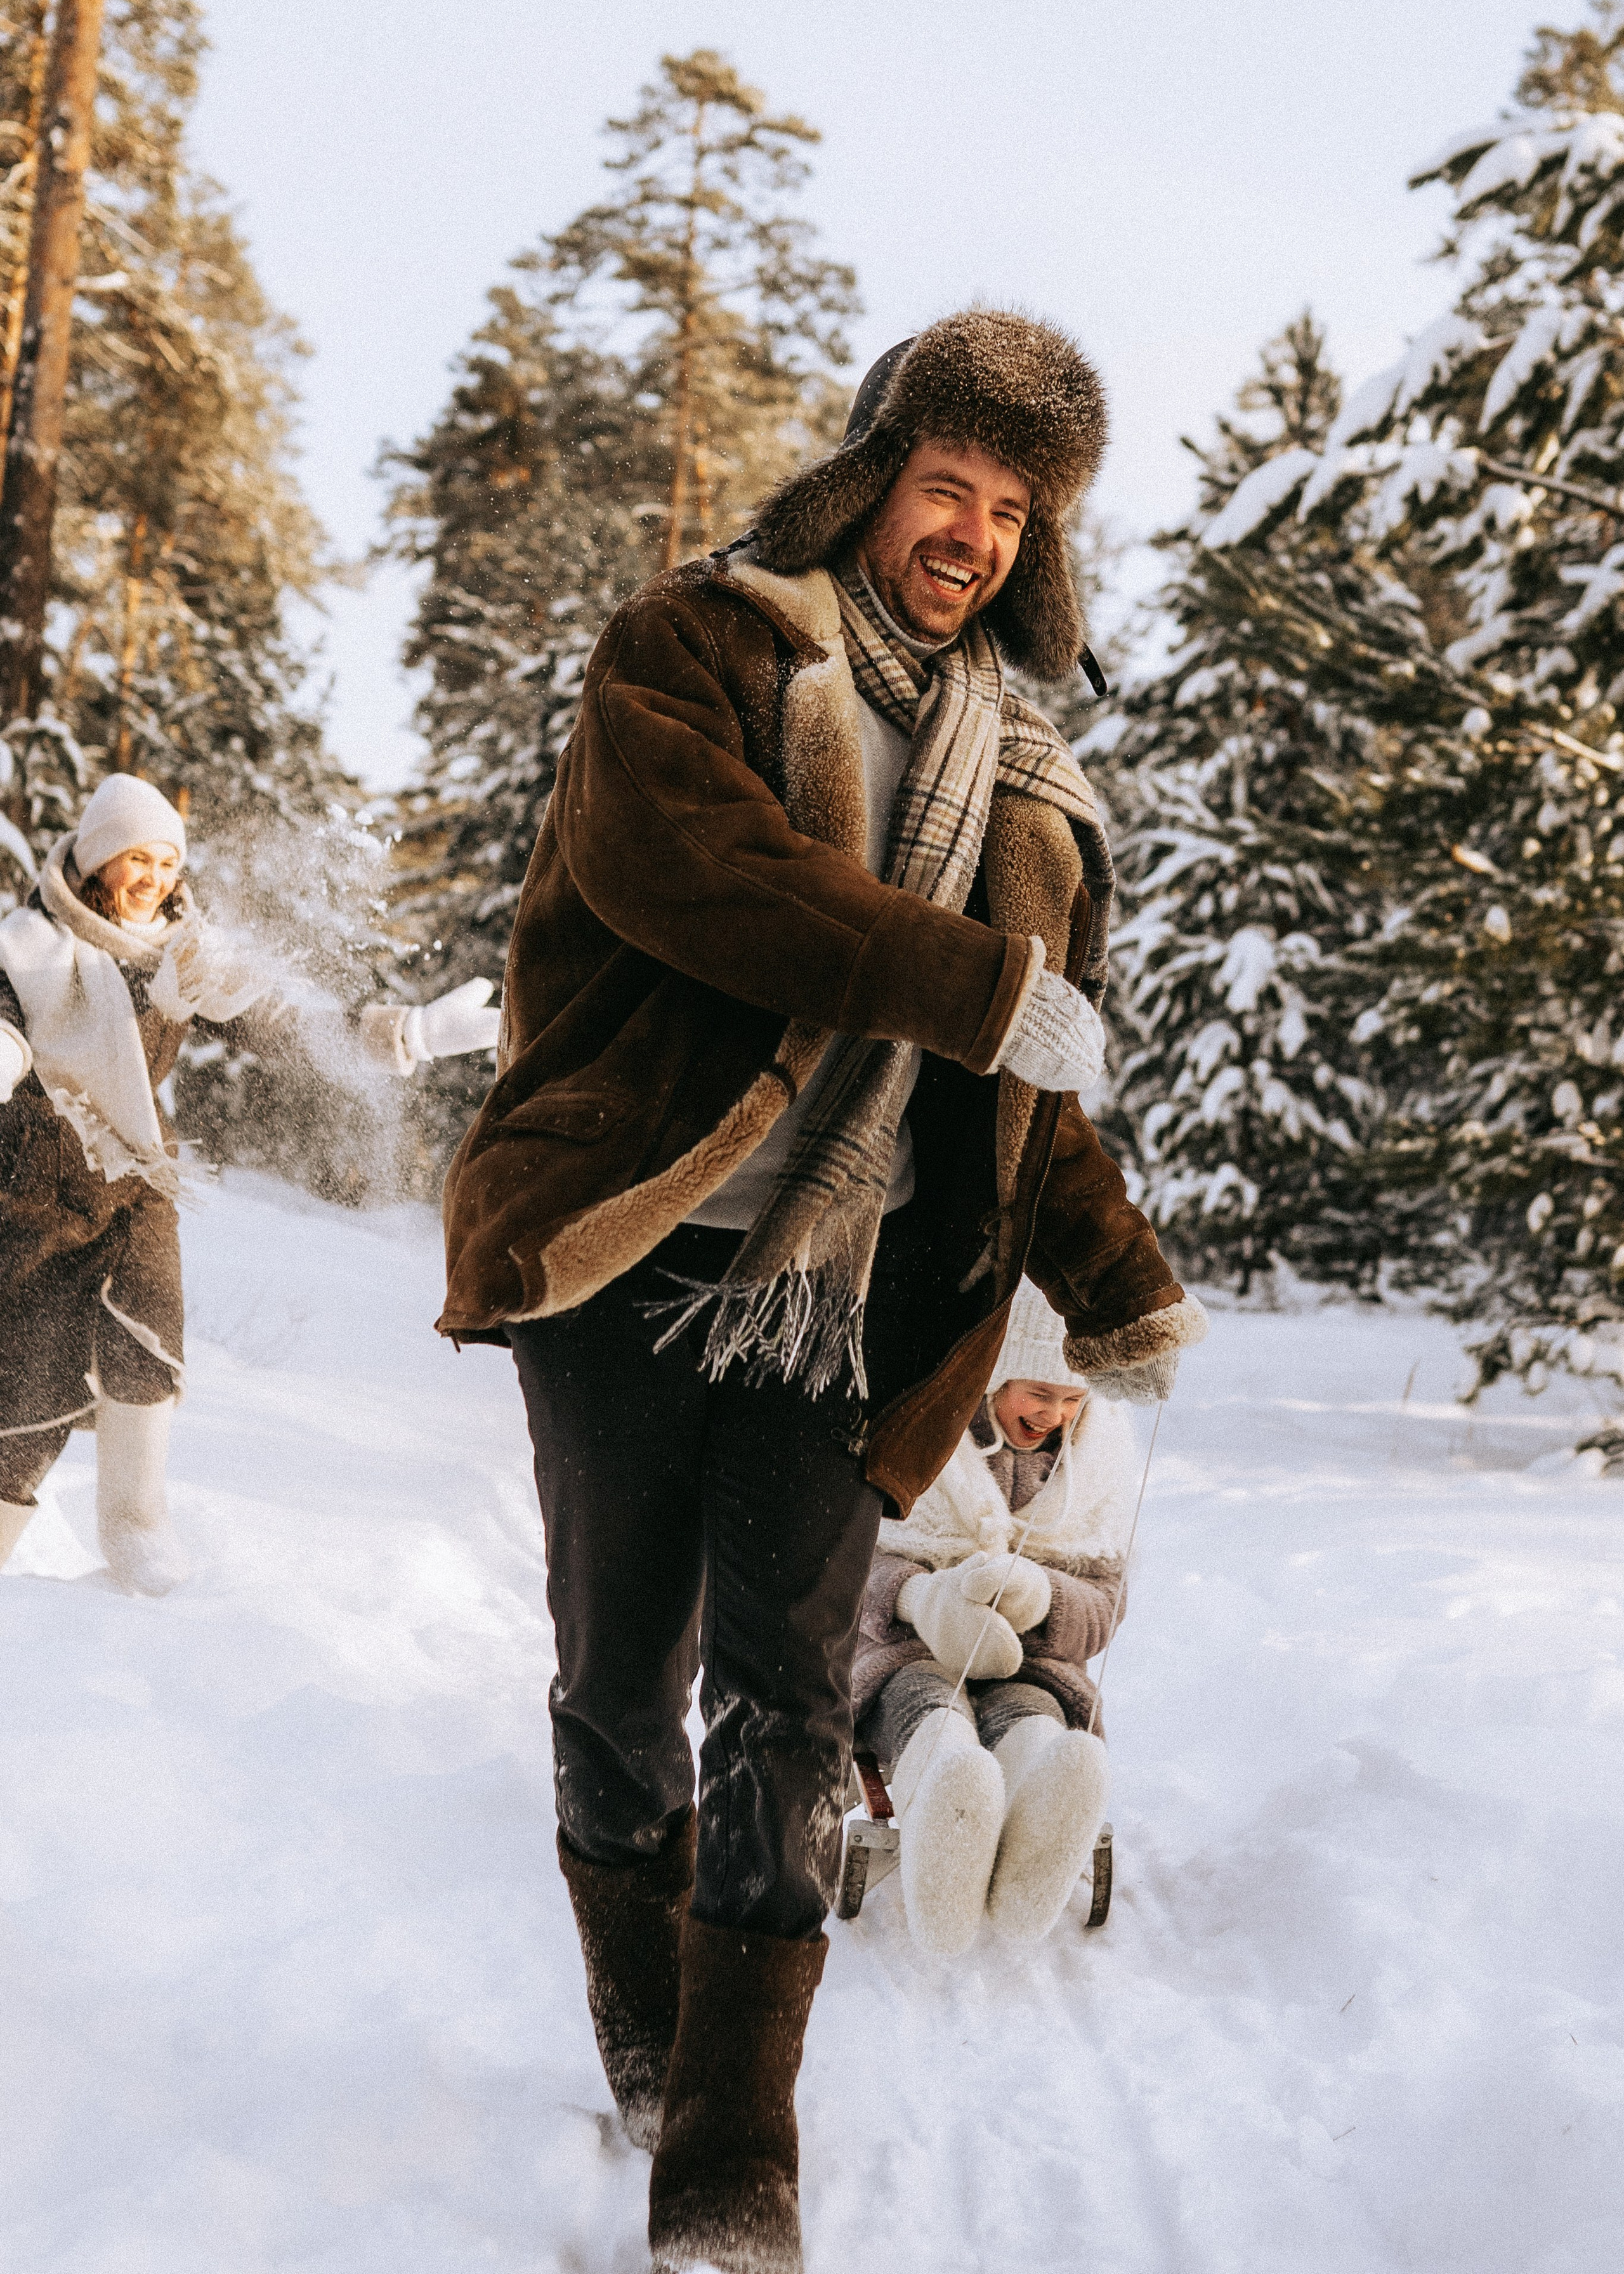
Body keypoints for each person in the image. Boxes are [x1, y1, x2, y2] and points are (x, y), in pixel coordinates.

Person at [437, 310, 1208, 2274]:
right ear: (872, 475)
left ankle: (728, 2162)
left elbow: (1026, 1081)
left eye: (1013, 507)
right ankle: (645, 2032)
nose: (972, 530)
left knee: (781, 1692)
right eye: (946, 483)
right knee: (621, 1678)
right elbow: (687, 874)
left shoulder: (1023, 784)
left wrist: (1107, 1269)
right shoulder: (697, 644)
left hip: (834, 1297)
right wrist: (964, 982)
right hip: (631, 1244)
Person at [0, 772, 500, 1593]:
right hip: (32, 1187)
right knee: (24, 1384)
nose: (155, 878)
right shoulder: (28, 944)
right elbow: (8, 1019)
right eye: (137, 858)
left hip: (133, 1179)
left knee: (148, 1341)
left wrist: (400, 1034)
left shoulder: (187, 953)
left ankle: (137, 1530)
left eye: (168, 861)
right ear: (96, 861)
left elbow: (285, 1025)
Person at [853, 1275, 1134, 1956]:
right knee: (924, 1701)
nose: (1056, 1414)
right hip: (913, 1654)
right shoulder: (921, 1440)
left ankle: (1041, 1796)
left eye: (1073, 1399)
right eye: (1040, 1393)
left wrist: (1042, 1598)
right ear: (995, 1379)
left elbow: (1104, 1606)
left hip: (1030, 1660)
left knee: (1031, 1709)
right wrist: (923, 1599)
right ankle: (950, 1792)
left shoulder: (1093, 1471)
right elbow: (848, 1568)